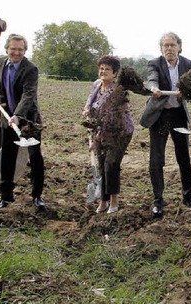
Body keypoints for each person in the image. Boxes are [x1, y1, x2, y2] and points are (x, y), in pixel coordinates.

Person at [140, 32, 191, 217]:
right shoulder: (155, 63)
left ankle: (188, 197)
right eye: (166, 45)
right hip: (160, 115)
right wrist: (154, 88)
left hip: (179, 114)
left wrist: (186, 91)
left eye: (172, 45)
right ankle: (158, 201)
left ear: (179, 46)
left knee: (184, 157)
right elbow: (152, 79)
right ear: (162, 48)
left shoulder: (186, 64)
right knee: (156, 159)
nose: (169, 49)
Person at [0, 33, 45, 210]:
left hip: (28, 122)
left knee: (35, 157)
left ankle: (37, 196)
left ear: (25, 51)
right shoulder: (0, 63)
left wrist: (18, 116)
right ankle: (6, 197)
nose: (16, 52)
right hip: (7, 119)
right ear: (7, 49)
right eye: (13, 49)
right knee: (7, 157)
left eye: (20, 49)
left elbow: (28, 95)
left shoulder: (30, 69)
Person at [82, 55, 134, 214]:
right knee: (101, 163)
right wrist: (86, 111)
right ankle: (103, 201)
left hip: (119, 132)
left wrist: (99, 135)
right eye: (101, 68)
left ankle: (114, 201)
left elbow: (112, 117)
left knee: (111, 165)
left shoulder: (118, 91)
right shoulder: (97, 85)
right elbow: (90, 102)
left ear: (115, 73)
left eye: (107, 69)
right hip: (100, 130)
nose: (103, 71)